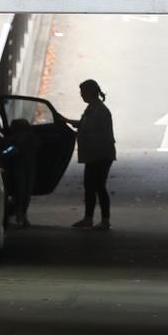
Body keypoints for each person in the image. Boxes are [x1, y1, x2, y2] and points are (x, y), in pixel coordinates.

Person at [67, 79, 115, 230]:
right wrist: (68, 121)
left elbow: (103, 134)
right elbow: (85, 125)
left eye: (83, 92)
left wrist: (83, 134)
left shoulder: (101, 111)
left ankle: (105, 220)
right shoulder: (92, 109)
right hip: (93, 154)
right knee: (90, 186)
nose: (81, 95)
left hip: (100, 154)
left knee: (99, 186)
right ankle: (89, 218)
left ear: (90, 93)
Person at [1, 118, 42, 227]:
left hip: (19, 167)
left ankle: (20, 213)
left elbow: (4, 153)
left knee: (20, 191)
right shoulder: (33, 139)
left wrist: (11, 150)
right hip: (28, 167)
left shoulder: (12, 139)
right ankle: (22, 214)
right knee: (25, 192)